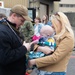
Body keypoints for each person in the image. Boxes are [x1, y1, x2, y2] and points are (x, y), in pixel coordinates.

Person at [0, 4, 33, 75]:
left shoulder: (13, 28)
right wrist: (24, 48)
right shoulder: (2, 31)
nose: (22, 24)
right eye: (22, 20)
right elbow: (5, 57)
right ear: (14, 15)